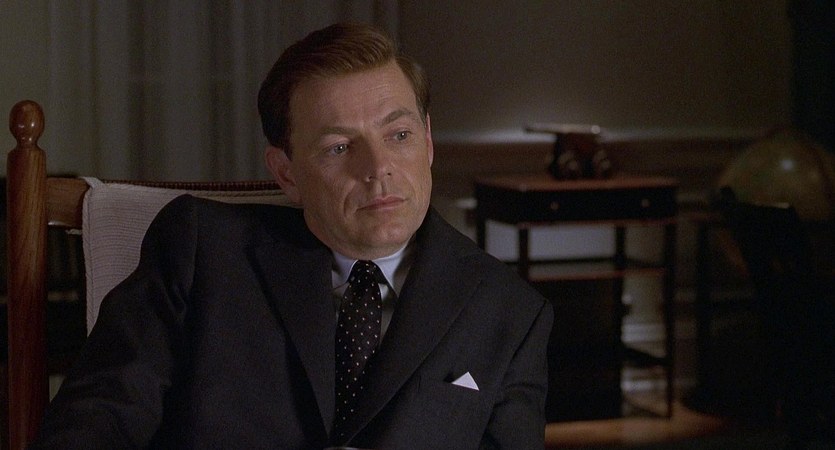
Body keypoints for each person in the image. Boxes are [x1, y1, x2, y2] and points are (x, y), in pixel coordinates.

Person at [32, 22, 553, 449]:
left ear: (429, 142)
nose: (379, 169)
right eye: (339, 147)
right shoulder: (200, 251)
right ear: (286, 173)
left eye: (399, 135)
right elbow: (95, 421)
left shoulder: (511, 313)